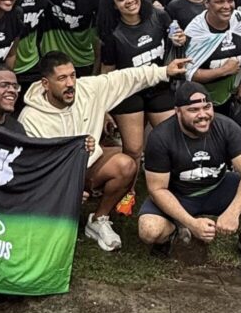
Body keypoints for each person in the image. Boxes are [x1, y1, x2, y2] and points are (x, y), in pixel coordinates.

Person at [19, 50, 191, 251]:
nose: (70, 83)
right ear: (45, 84)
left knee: (126, 165)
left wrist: (164, 71)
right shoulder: (30, 118)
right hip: (54, 177)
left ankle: (98, 219)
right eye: (62, 78)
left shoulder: (89, 89)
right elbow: (35, 169)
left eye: (73, 75)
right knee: (50, 233)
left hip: (88, 164)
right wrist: (68, 189)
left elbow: (125, 78)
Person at [137, 81, 241, 276]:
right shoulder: (160, 137)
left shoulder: (226, 127)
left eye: (207, 107)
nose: (203, 115)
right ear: (178, 112)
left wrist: (233, 212)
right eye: (193, 110)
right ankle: (172, 233)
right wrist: (192, 224)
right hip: (179, 194)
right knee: (149, 230)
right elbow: (157, 189)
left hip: (217, 186)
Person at [99, 0, 184, 194]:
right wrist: (104, 108)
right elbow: (107, 72)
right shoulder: (112, 34)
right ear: (114, 5)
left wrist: (179, 38)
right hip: (129, 93)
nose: (129, 1)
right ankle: (127, 192)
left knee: (172, 139)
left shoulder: (159, 16)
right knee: (134, 148)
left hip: (160, 87)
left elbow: (176, 37)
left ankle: (176, 186)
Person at [182, 0, 241, 133]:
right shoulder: (195, 32)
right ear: (206, 3)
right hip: (202, 100)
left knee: (237, 136)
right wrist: (223, 71)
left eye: (230, 0)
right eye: (219, 2)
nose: (227, 6)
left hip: (235, 96)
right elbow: (189, 74)